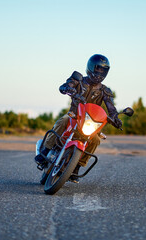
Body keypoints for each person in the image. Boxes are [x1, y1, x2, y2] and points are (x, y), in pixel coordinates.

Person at [35, 54, 122, 182]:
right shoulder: (78, 80)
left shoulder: (105, 91)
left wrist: (115, 118)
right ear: (91, 67)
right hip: (74, 115)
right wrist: (68, 88)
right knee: (62, 121)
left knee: (96, 140)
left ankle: (77, 167)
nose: (99, 73)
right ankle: (46, 150)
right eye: (98, 69)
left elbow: (111, 107)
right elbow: (65, 86)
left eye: (103, 70)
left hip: (90, 121)